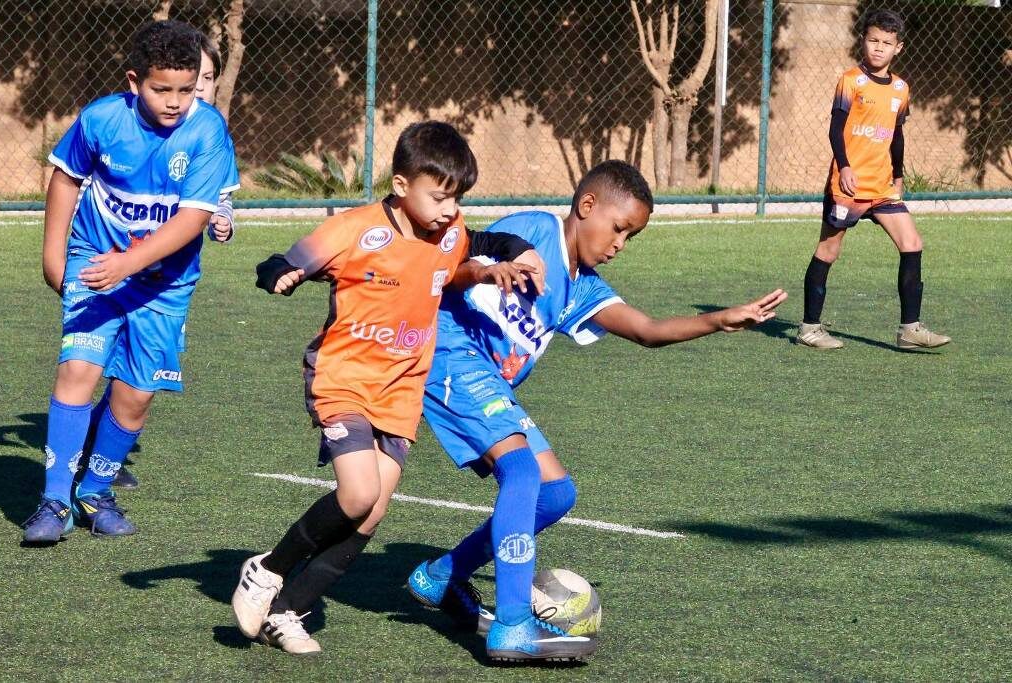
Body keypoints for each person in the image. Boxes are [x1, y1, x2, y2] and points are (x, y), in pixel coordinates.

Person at [403, 160, 787, 663]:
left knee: (556, 493)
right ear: (587, 207)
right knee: (520, 471)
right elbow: (452, 265)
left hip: (489, 383)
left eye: (631, 237)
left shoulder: (582, 286)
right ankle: (512, 627)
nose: (620, 244)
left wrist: (719, 320)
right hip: (449, 352)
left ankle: (441, 577)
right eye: (619, 228)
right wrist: (489, 268)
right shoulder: (534, 229)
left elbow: (646, 330)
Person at [231, 121, 545, 655]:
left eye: (457, 199)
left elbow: (477, 247)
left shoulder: (448, 230)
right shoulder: (355, 229)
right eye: (440, 197)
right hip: (345, 376)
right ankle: (267, 570)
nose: (450, 210)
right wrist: (280, 274)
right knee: (357, 494)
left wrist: (507, 261)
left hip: (402, 388)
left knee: (372, 511)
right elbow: (289, 259)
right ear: (401, 186)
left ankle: (287, 612)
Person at [21, 19, 238, 543]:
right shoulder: (101, 119)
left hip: (165, 282)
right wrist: (54, 255)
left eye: (187, 90)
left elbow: (190, 221)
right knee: (79, 367)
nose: (175, 102)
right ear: (134, 80)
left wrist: (130, 262)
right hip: (94, 258)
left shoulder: (207, 132)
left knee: (136, 395)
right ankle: (53, 502)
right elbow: (66, 176)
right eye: (162, 89)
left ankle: (95, 493)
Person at [88, 32, 237, 491]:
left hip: (167, 278)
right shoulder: (127, 122)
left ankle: (98, 453)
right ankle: (88, 460)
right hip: (116, 265)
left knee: (139, 376)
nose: (200, 90)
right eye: (201, 79)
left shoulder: (209, 132)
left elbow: (216, 198)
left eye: (206, 81)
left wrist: (222, 218)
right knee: (101, 364)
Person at [797, 8, 949, 350]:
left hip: (881, 186)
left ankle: (910, 329)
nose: (879, 48)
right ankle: (809, 328)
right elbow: (836, 129)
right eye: (873, 41)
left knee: (912, 244)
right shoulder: (851, 81)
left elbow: (896, 136)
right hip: (848, 185)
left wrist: (898, 175)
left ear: (899, 48)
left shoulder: (900, 89)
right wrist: (845, 166)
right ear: (863, 42)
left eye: (887, 43)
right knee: (828, 250)